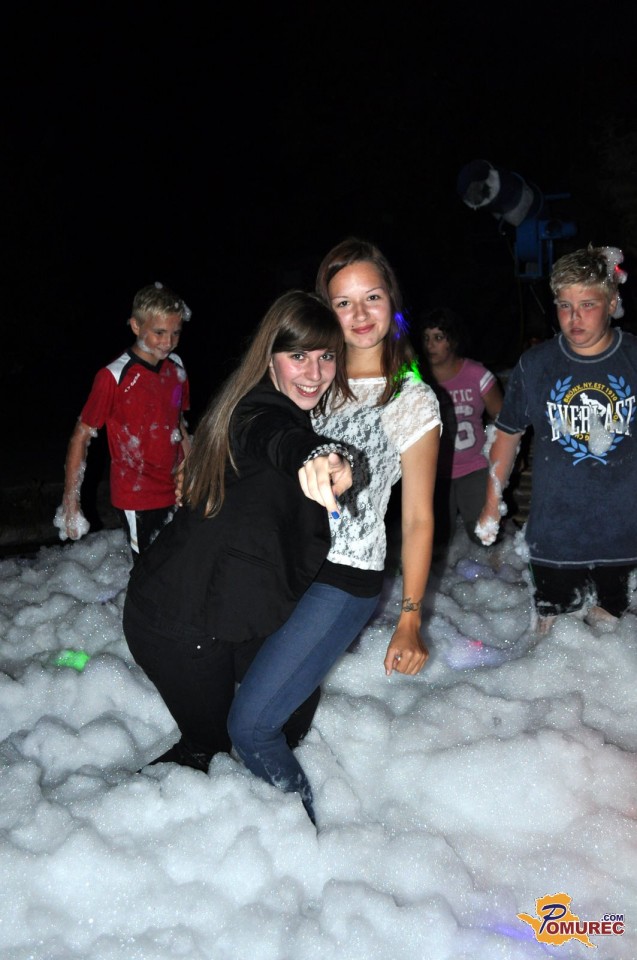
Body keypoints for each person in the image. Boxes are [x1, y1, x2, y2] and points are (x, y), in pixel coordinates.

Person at [228, 237, 441, 823]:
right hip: (284, 565)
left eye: (372, 297)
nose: (361, 314)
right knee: (261, 697)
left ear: (392, 300)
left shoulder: (410, 399)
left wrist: (410, 619)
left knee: (251, 726)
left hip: (342, 580)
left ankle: (305, 835)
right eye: (343, 302)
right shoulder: (315, 374)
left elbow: (419, 518)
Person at [122, 290, 354, 772]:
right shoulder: (258, 410)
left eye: (326, 357)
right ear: (269, 357)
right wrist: (315, 457)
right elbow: (279, 439)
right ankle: (127, 811)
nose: (315, 373)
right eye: (298, 356)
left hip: (230, 603)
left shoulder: (277, 406)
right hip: (178, 623)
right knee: (209, 749)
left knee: (292, 710)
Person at [476, 245, 637, 634]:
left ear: (611, 302)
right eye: (565, 306)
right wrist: (491, 503)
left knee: (616, 646)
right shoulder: (537, 364)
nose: (574, 317)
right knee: (553, 647)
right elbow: (507, 434)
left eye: (587, 305)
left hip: (625, 537)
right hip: (555, 537)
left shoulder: (633, 357)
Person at [55, 282, 192, 560]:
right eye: (159, 332)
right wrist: (71, 503)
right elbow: (81, 437)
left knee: (180, 566)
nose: (168, 342)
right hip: (137, 496)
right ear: (136, 326)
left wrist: (192, 473)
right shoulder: (113, 377)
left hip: (175, 490)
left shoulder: (176, 368)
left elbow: (178, 424)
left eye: (175, 333)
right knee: (148, 573)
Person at [421, 307, 503, 548]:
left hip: (474, 467)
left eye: (438, 337)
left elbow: (502, 419)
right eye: (426, 338)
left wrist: (501, 460)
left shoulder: (477, 375)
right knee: (434, 541)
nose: (430, 345)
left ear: (453, 341)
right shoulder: (417, 378)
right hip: (433, 472)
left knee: (482, 536)